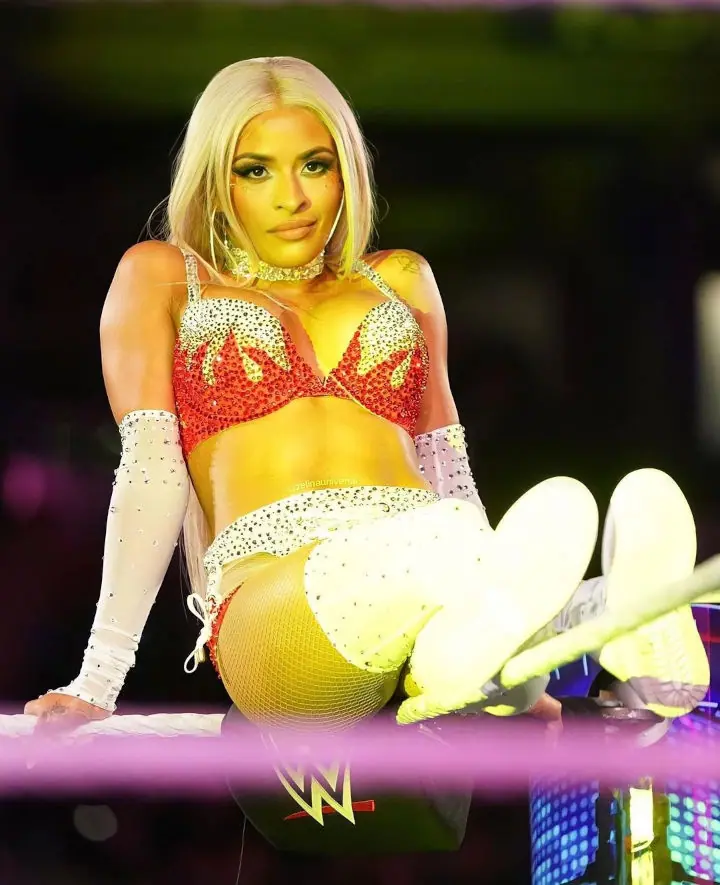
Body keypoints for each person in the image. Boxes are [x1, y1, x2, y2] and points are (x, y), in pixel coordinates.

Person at [25, 57, 709, 739]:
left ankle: (563, 635)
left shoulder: (400, 278)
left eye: (314, 165)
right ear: (214, 179)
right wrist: (98, 677)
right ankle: (583, 620)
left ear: (345, 169)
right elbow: (150, 472)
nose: (292, 197)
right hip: (278, 609)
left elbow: (446, 465)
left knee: (500, 532)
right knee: (485, 529)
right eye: (256, 170)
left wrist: (488, 572)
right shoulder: (164, 276)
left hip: (431, 565)